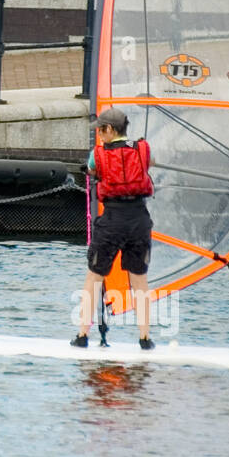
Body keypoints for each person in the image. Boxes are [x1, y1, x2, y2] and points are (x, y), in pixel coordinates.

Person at [72, 107, 155, 350]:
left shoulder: (96, 154)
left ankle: (82, 335)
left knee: (94, 277)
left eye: (100, 130)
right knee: (139, 279)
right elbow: (146, 166)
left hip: (112, 220)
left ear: (110, 130)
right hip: (140, 220)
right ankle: (145, 338)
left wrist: (88, 170)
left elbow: (93, 170)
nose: (98, 134)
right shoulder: (142, 150)